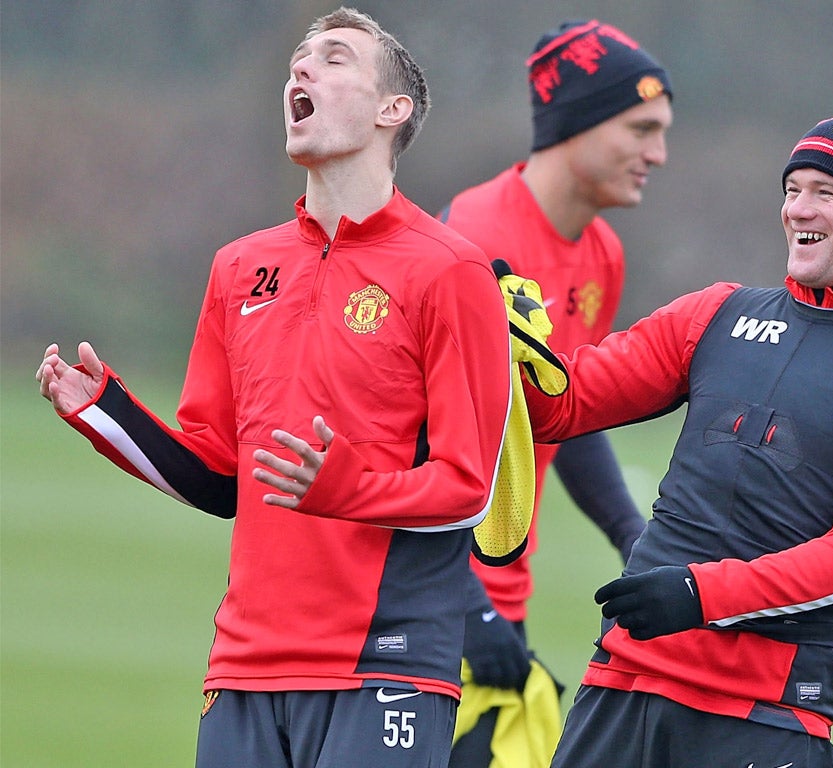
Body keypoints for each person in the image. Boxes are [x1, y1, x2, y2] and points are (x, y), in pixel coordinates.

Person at [35, 7, 512, 768]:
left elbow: (469, 486)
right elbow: (223, 476)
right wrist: (106, 415)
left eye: (333, 59)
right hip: (244, 667)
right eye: (296, 60)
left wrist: (344, 488)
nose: (301, 71)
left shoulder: (451, 270)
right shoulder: (237, 267)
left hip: (384, 664)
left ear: (395, 110)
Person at [521, 113, 833, 767]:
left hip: (765, 711)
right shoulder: (715, 313)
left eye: (826, 191)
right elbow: (558, 407)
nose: (797, 208)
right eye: (792, 189)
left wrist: (700, 594)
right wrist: (502, 344)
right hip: (622, 682)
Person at [437, 18, 672, 765]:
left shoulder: (602, 252)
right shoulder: (474, 237)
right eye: (639, 129)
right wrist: (463, 603)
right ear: (577, 124)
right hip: (422, 605)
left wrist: (631, 535)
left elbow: (560, 413)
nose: (657, 154)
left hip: (498, 605)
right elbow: (408, 435)